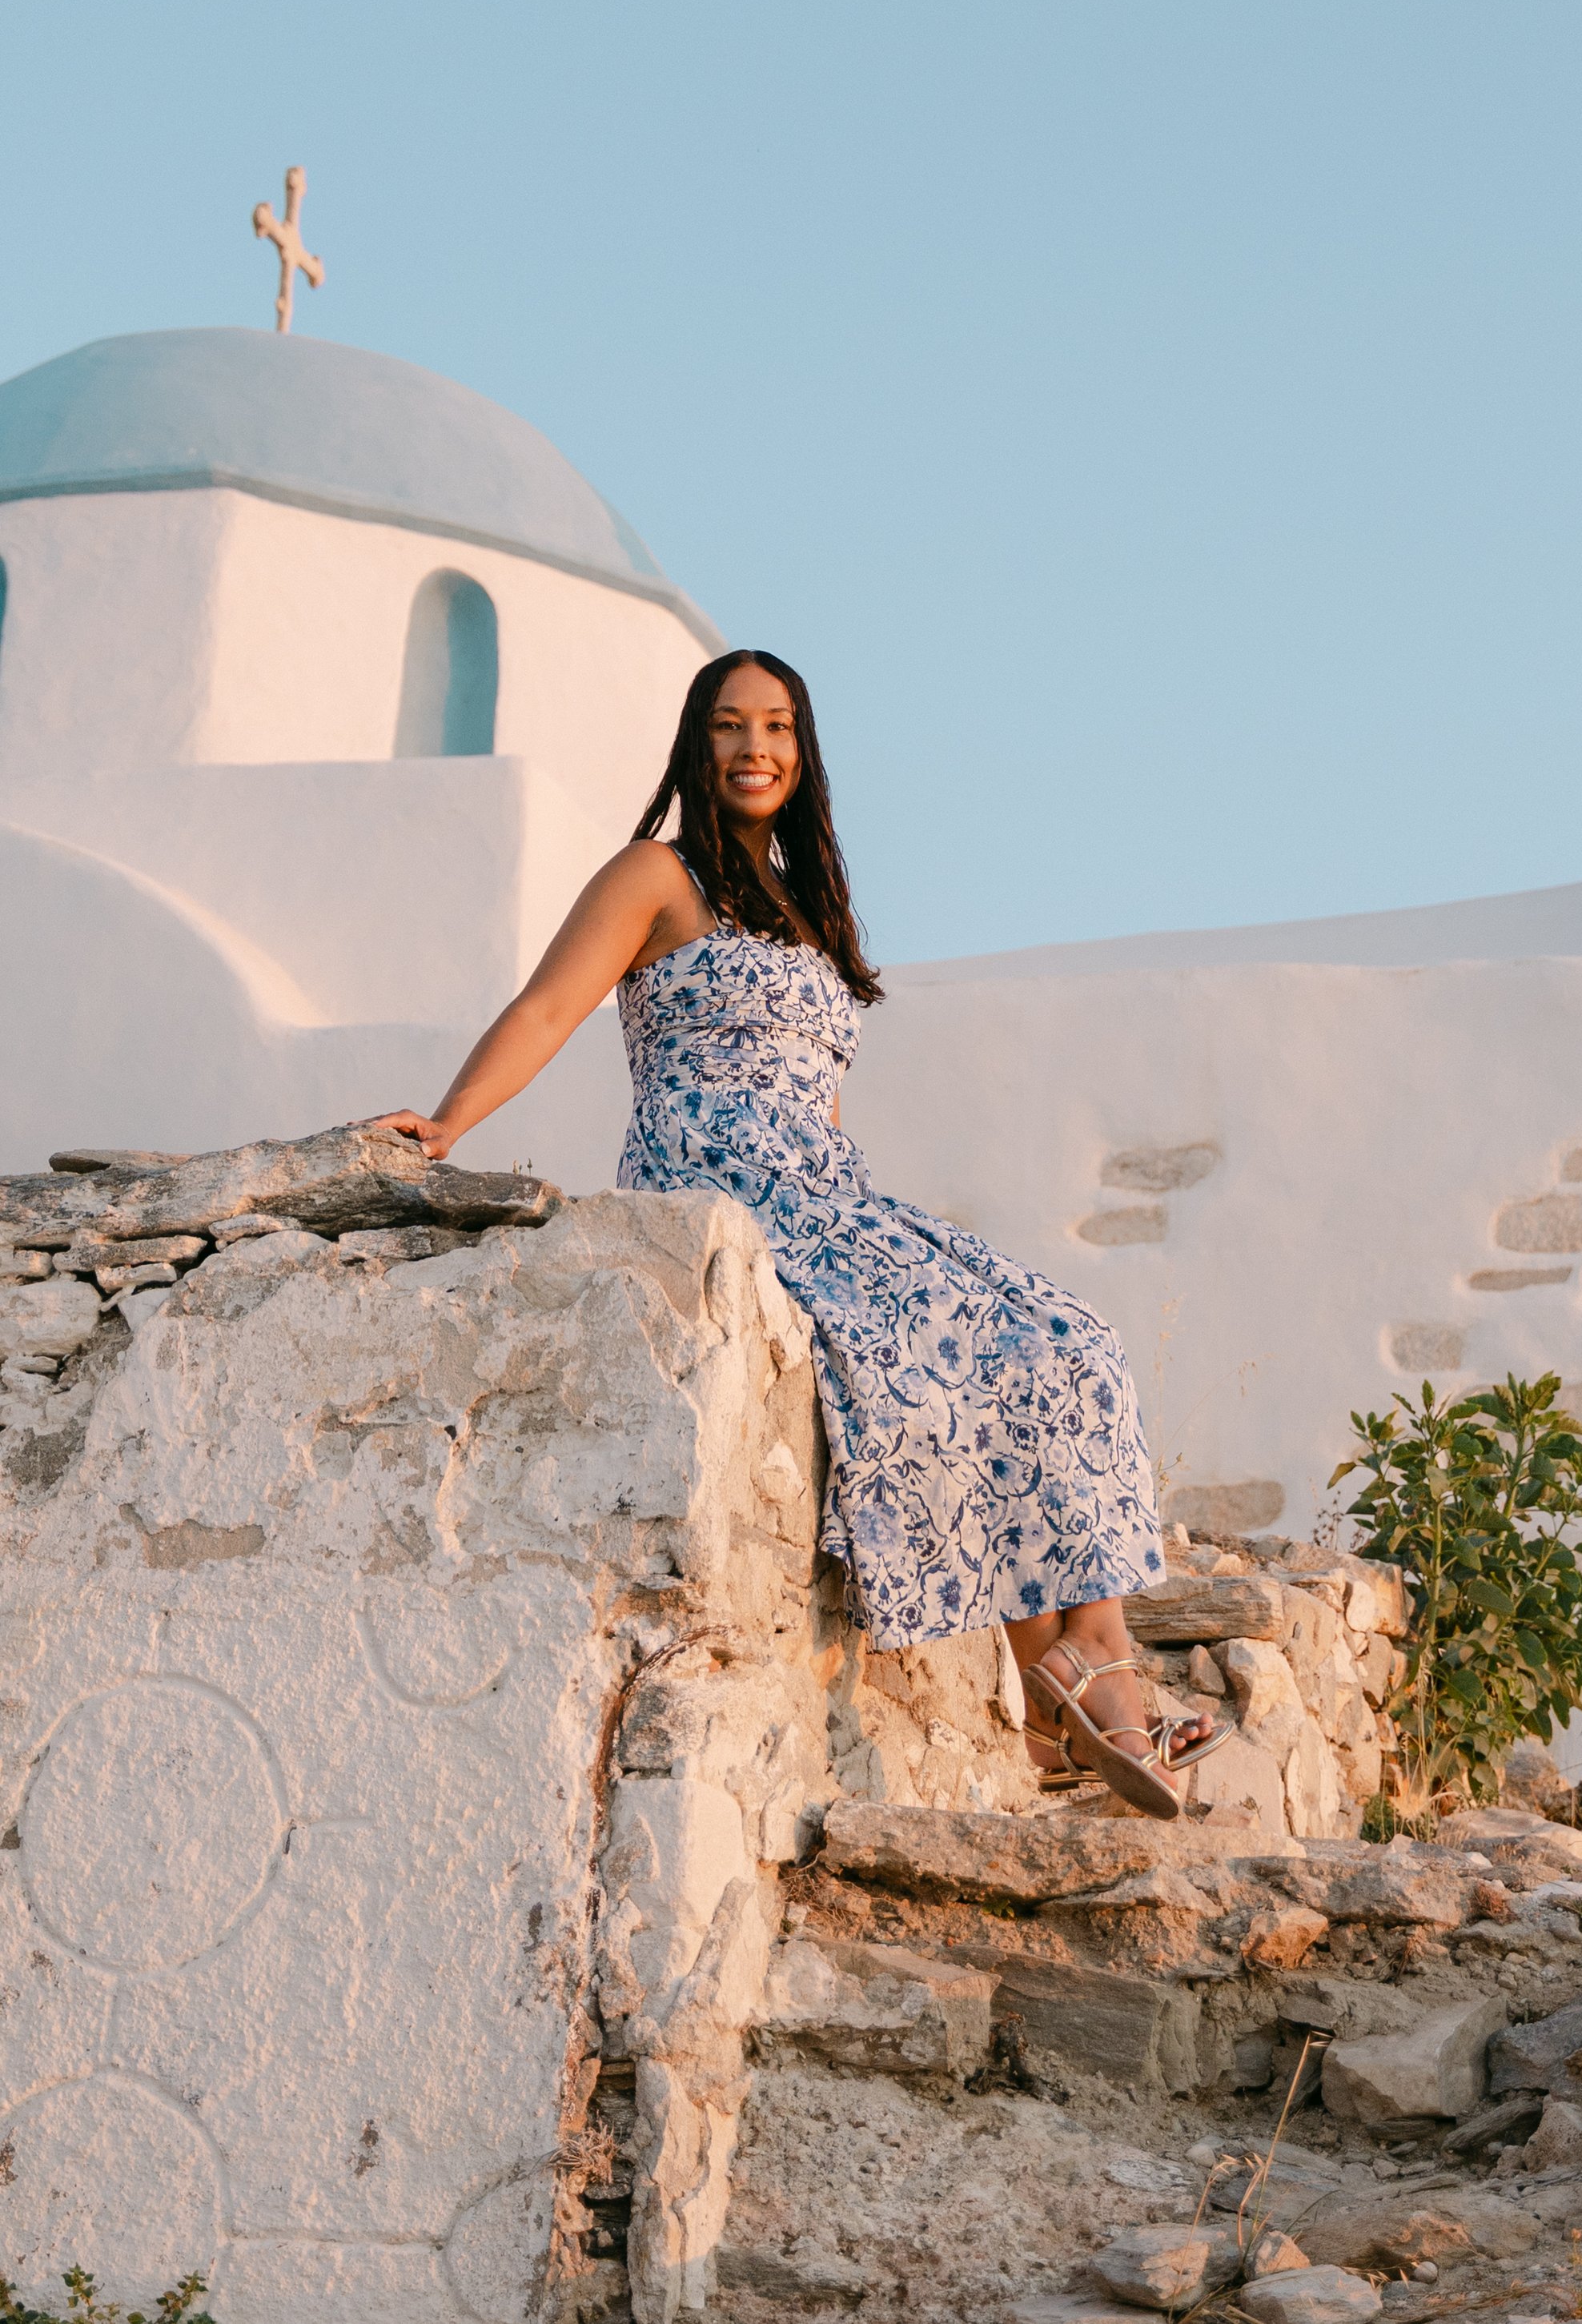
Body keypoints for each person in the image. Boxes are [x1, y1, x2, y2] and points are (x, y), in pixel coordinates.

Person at [371, 648, 1227, 1816]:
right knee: (916, 1366)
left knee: (1064, 1342)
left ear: (803, 748)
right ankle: (1091, 1692)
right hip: (720, 1182)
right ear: (697, 743)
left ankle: (1086, 1659)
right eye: (730, 725)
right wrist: (451, 1120)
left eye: (776, 725)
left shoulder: (810, 908)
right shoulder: (653, 875)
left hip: (830, 1188)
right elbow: (549, 1005)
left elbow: (821, 1098)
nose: (754, 747)